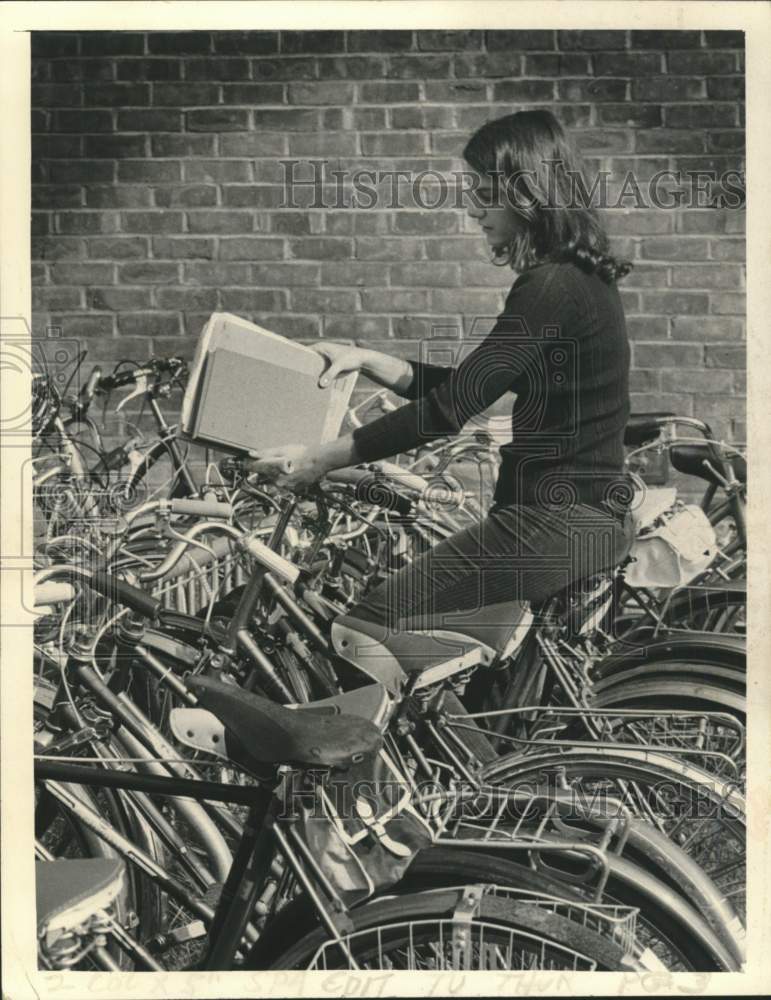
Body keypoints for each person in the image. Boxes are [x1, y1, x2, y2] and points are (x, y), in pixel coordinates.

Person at [250, 109, 635, 637]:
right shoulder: (581, 278)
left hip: (549, 525)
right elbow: (474, 386)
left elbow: (448, 411)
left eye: (485, 193)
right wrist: (369, 360)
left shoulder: (550, 287)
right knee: (470, 680)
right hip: (583, 521)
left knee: (366, 627)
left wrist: (319, 459)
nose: (474, 211)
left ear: (528, 195)